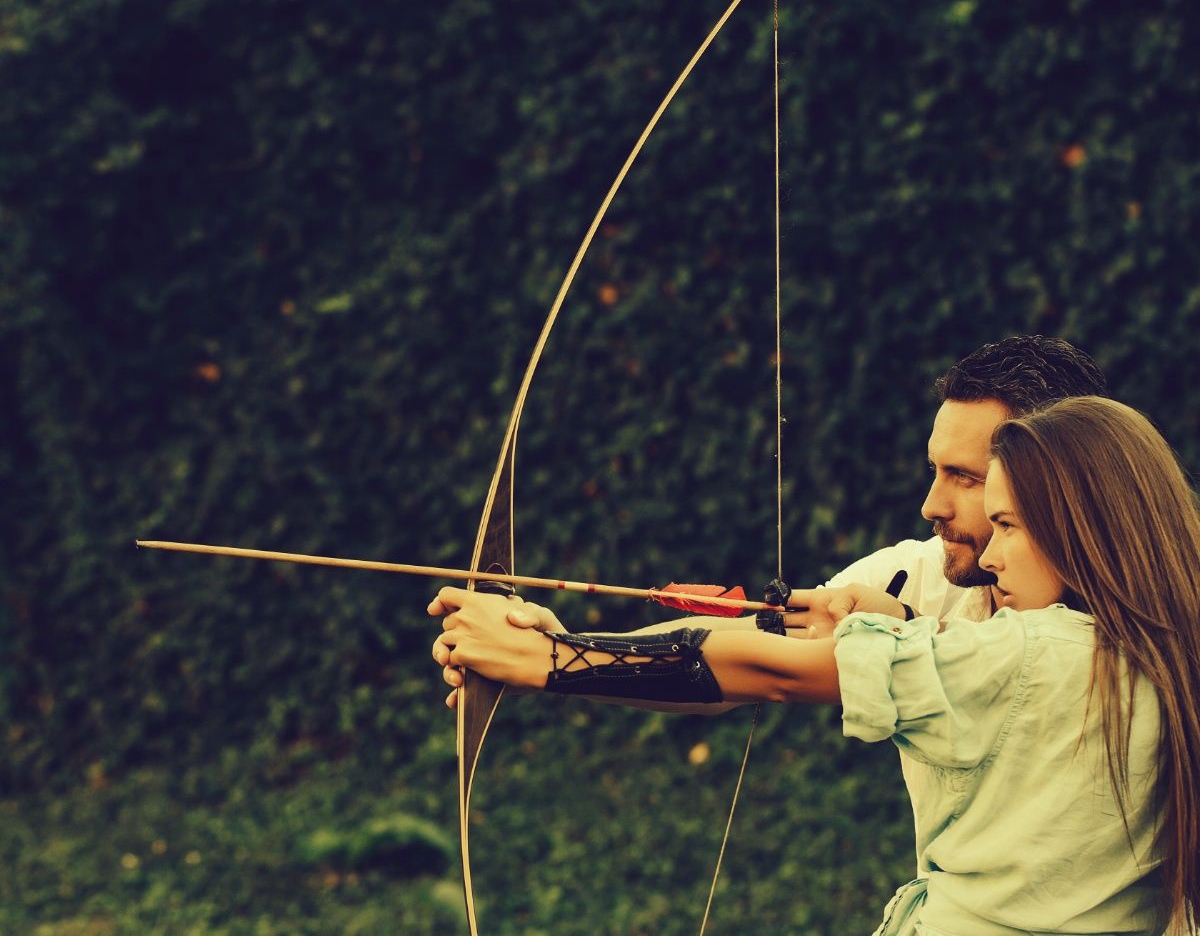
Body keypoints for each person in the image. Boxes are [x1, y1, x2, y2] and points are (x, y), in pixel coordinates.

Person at [430, 397, 1200, 933]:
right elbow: (764, 642)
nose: (988, 549)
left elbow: (766, 670)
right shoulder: (1165, 642)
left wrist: (548, 656)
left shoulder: (1038, 650)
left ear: (1079, 521)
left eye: (1003, 517)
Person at [433, 335, 1110, 710]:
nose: (932, 505)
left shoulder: (1121, 640)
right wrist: (576, 640)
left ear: (1056, 481)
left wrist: (553, 661)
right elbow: (744, 643)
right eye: (936, 471)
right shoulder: (920, 574)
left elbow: (777, 672)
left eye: (966, 479)